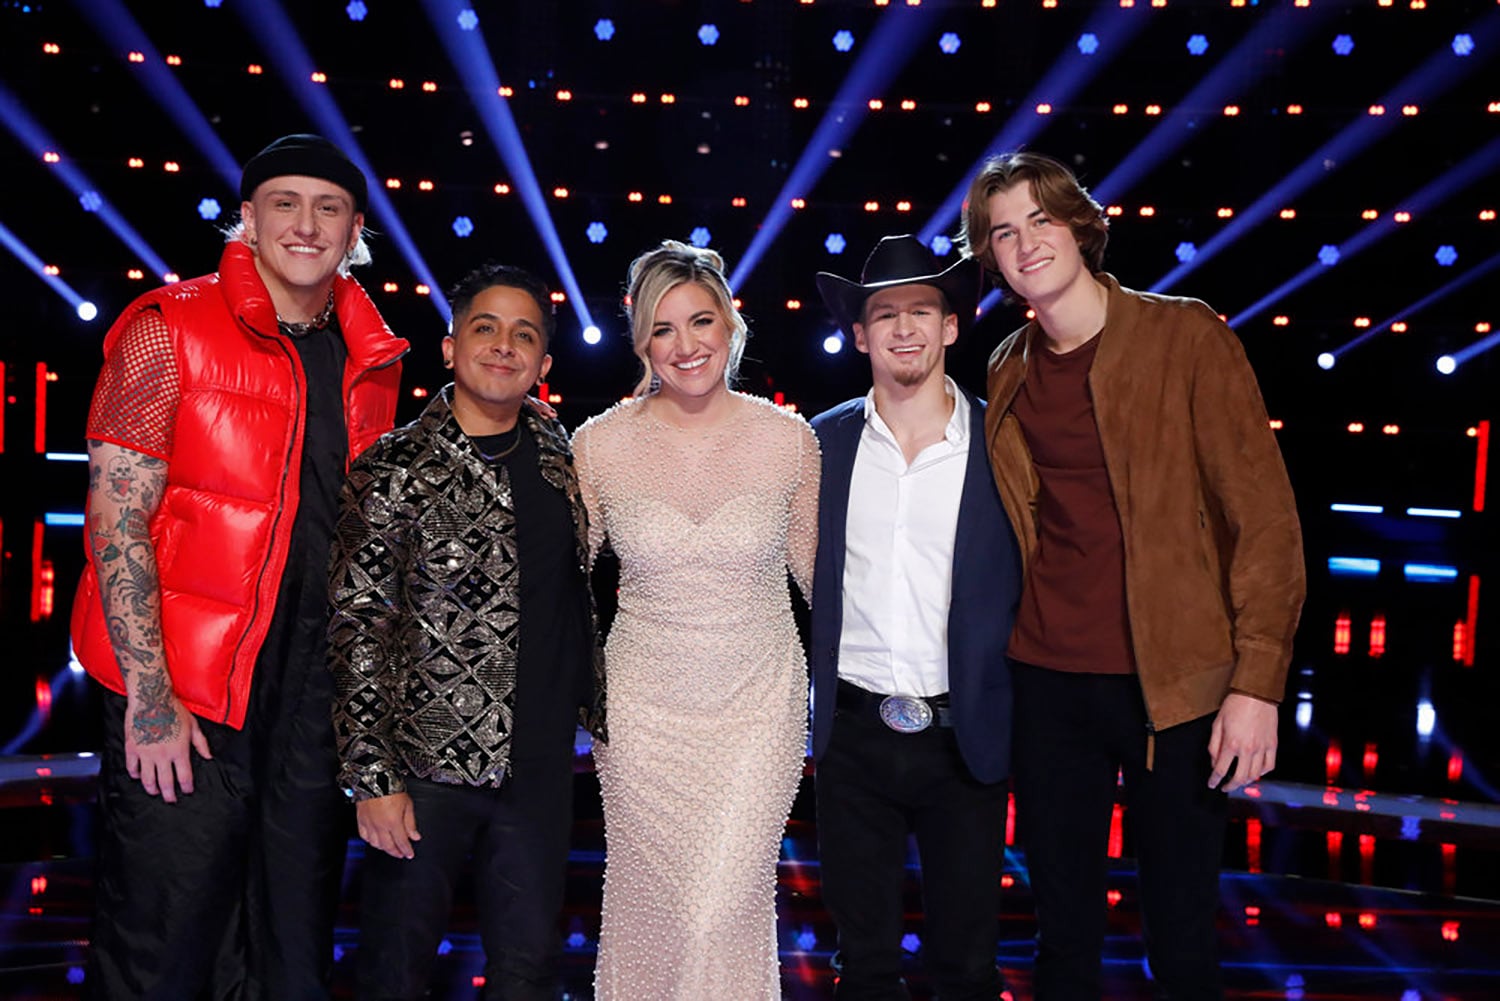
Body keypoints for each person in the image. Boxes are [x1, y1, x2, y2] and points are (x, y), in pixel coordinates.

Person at [959, 151, 1306, 1000]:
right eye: (1003, 232)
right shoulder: (1007, 364)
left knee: (1182, 940)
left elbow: (1264, 519)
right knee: (1062, 938)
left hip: (1175, 685)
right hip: (1047, 678)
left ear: (1080, 225)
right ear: (991, 257)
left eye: (1041, 218)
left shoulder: (1184, 336)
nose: (1026, 243)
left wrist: (1256, 683)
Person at [70, 133, 408, 999]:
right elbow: (115, 517)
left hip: (308, 708)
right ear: (249, 220)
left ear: (355, 231)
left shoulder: (373, 360)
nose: (307, 225)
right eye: (285, 204)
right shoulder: (168, 326)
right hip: (188, 694)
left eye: (329, 208)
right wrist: (150, 697)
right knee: (162, 950)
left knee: (287, 957)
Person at [327, 263, 606, 1001]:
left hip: (540, 765)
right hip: (425, 768)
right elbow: (358, 626)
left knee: (528, 972)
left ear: (544, 364)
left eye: (524, 335)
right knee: (395, 972)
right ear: (450, 347)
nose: (504, 346)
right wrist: (372, 777)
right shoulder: (394, 466)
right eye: (486, 328)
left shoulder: (560, 457)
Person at [570, 240, 819, 999]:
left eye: (701, 321)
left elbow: (823, 583)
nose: (686, 345)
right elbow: (561, 584)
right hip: (642, 716)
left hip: (757, 709)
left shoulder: (789, 440)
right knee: (655, 908)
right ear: (642, 342)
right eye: (663, 328)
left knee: (719, 909)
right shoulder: (598, 444)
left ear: (730, 323)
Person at [808, 235, 1023, 1000]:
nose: (905, 328)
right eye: (885, 314)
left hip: (965, 738)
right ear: (860, 334)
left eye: (922, 311)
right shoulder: (820, 443)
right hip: (852, 738)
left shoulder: (1003, 445)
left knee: (966, 968)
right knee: (864, 967)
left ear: (951, 325)